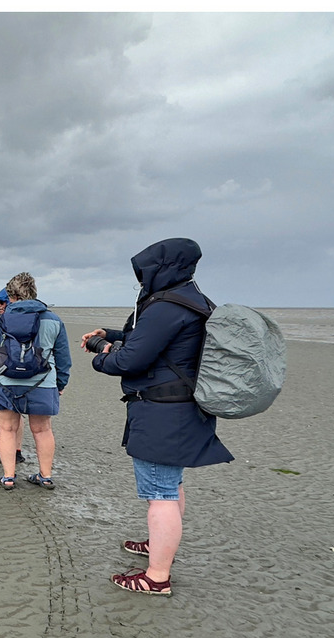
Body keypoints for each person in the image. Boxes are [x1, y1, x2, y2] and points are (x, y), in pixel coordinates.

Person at [83, 238, 233, 597]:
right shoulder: (193, 300)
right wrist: (114, 335)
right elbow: (155, 341)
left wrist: (101, 354)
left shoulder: (166, 306)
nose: (140, 280)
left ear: (159, 270)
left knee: (160, 493)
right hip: (182, 408)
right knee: (172, 485)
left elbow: (130, 360)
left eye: (143, 272)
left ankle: (156, 576)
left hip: (163, 411)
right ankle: (158, 546)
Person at [0, 272, 71, 490]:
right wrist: (61, 383)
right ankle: (45, 476)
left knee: (7, 429)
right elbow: (63, 357)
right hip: (42, 382)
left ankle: (9, 477)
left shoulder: (2, 320)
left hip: (6, 382)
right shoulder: (53, 320)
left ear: (10, 296)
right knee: (42, 430)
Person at [0, 288, 26, 466]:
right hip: (1, 373)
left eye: (1, 302)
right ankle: (8, 448)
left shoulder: (13, 320)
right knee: (3, 413)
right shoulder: (4, 320)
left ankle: (15, 450)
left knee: (13, 415)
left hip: (12, 374)